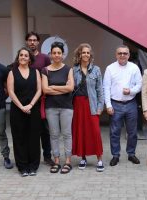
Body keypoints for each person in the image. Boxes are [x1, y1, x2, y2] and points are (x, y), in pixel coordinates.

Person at [103, 45, 142, 166]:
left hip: (131, 104)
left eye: (125, 53)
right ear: (116, 55)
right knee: (114, 132)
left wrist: (131, 91)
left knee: (132, 132)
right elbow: (106, 88)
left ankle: (131, 153)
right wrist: (108, 105)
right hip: (116, 104)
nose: (122, 55)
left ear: (129, 55)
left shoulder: (134, 68)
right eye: (120, 53)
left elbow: (139, 85)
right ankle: (115, 155)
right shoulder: (110, 68)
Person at [7, 47, 42, 177]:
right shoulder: (12, 72)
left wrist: (31, 104)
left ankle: (33, 166)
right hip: (17, 110)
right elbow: (10, 92)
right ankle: (22, 167)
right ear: (18, 57)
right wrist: (22, 107)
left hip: (33, 109)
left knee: (33, 138)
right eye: (21, 55)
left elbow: (39, 90)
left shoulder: (36, 72)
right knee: (19, 138)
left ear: (29, 58)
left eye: (26, 55)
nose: (23, 57)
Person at [42, 41, 74, 174]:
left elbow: (71, 88)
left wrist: (53, 87)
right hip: (51, 107)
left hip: (66, 107)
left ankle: (67, 161)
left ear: (62, 54)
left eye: (59, 53)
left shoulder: (68, 69)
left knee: (67, 134)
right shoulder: (45, 70)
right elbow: (45, 90)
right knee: (54, 135)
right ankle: (56, 161)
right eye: (54, 53)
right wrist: (63, 89)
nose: (56, 55)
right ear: (50, 54)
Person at [72, 43, 105, 172]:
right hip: (78, 105)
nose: (85, 54)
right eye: (83, 52)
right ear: (79, 55)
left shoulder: (96, 70)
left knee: (95, 132)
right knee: (81, 131)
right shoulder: (74, 70)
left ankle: (100, 159)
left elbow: (99, 90)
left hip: (91, 104)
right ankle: (83, 158)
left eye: (87, 52)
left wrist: (100, 107)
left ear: (90, 55)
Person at [25, 32, 54, 166]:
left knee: (45, 129)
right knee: (30, 130)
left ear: (38, 42)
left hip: (43, 99)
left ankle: (47, 156)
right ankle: (31, 156)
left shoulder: (44, 58)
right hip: (26, 99)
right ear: (26, 42)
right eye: (30, 40)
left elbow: (50, 74)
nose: (32, 42)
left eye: (34, 40)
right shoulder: (23, 57)